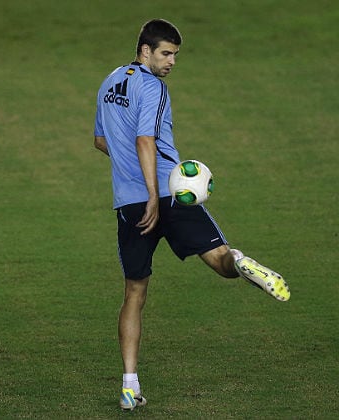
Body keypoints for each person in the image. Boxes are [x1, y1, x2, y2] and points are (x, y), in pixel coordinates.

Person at [92, 19, 290, 411]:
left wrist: (132, 178)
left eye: (175, 55)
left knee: (134, 292)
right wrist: (153, 192)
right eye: (165, 53)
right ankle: (242, 263)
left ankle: (130, 385)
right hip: (168, 191)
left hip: (127, 201)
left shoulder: (109, 82)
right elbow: (144, 138)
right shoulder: (153, 87)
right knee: (219, 260)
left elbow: (101, 140)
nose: (171, 62)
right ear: (145, 50)